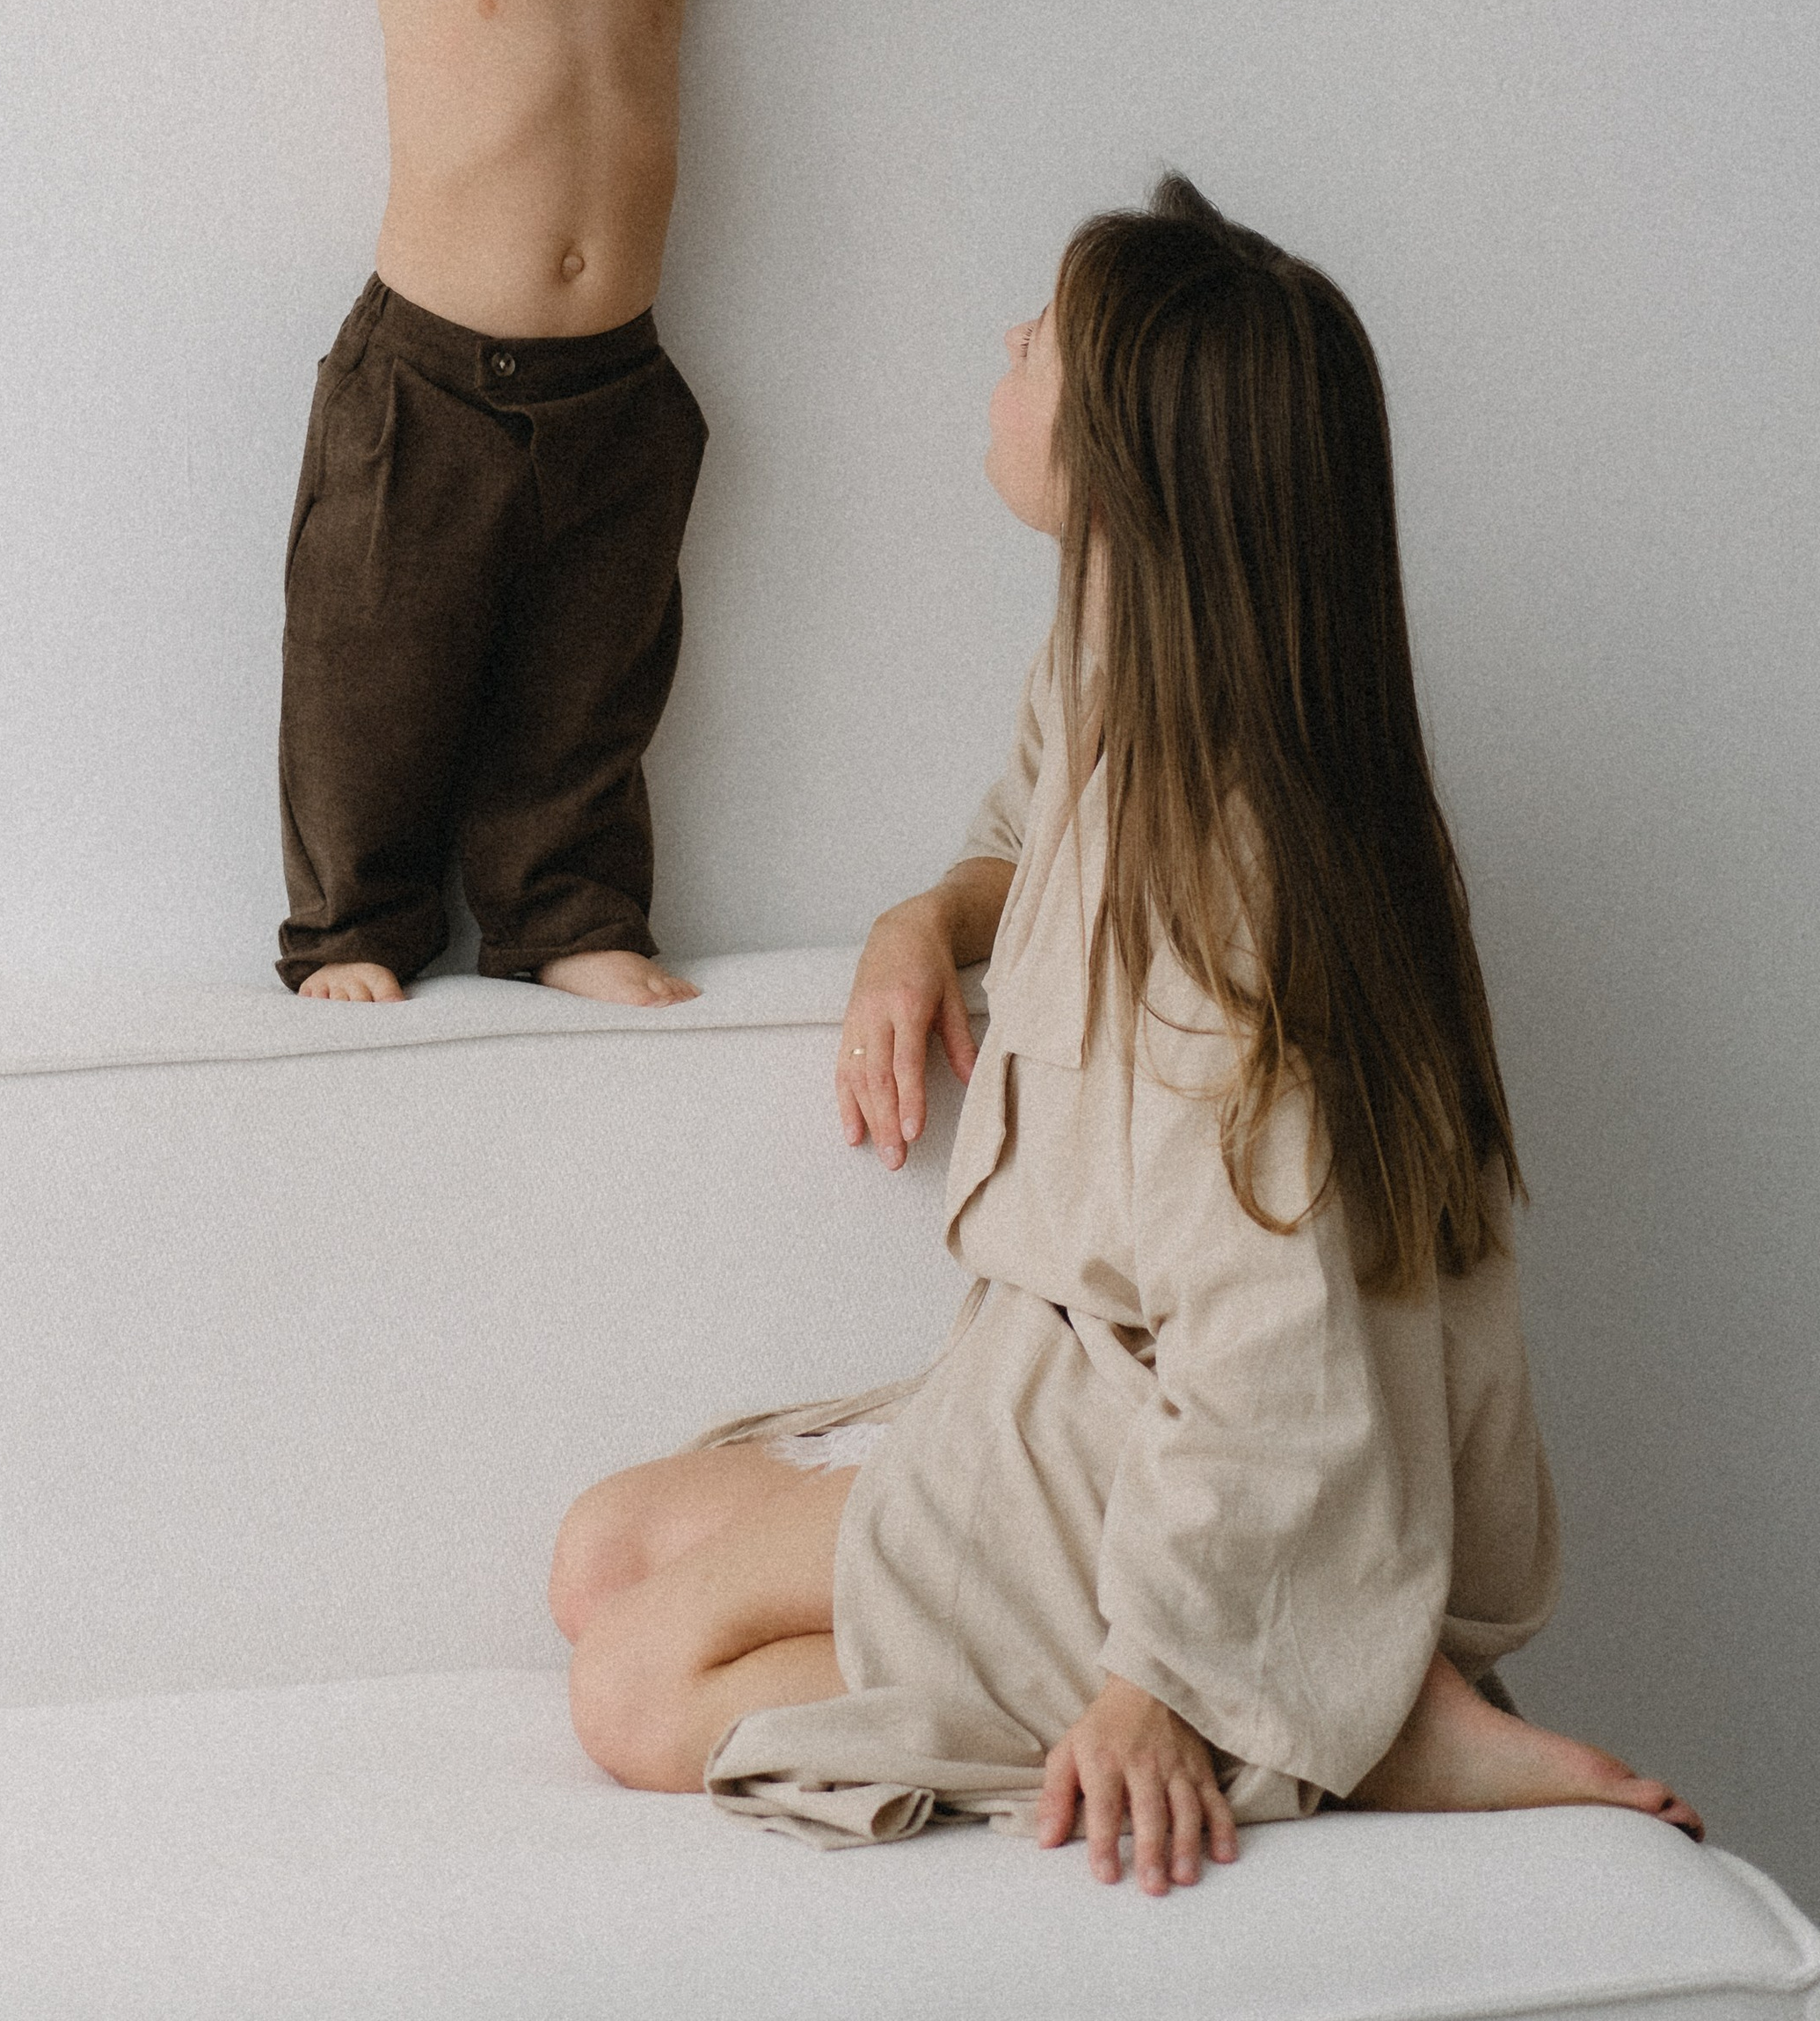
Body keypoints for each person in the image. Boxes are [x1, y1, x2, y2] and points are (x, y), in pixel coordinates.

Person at [550, 178, 1704, 1881]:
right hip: (1053, 1384)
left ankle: (1330, 1705)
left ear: (1122, 463)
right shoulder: (1120, 644)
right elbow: (1013, 840)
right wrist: (917, 927)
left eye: (1043, 341)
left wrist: (1159, 1681)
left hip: (1169, 1442)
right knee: (600, 1551)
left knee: (637, 1692)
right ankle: (1344, 1683)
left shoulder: (1234, 903)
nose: (1005, 343)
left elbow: (1278, 1343)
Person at [276, 0, 841, 1003]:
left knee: (586, 691)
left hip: (613, 394)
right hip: (429, 383)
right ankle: (356, 928)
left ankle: (569, 917)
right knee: (371, 675)